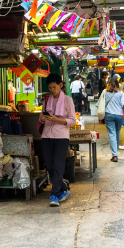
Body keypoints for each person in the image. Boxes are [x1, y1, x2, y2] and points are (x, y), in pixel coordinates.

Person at [39, 73, 78, 207]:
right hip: (46, 136)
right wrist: (42, 118)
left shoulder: (68, 100)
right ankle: (64, 188)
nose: (52, 90)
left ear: (60, 85)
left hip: (61, 136)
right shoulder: (46, 100)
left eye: (54, 87)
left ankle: (54, 195)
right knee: (49, 166)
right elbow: (42, 116)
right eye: (50, 88)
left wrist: (58, 120)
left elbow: (73, 120)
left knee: (58, 165)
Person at [102, 78, 124, 162]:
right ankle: (115, 153)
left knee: (112, 134)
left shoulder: (105, 92)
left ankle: (115, 155)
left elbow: (100, 105)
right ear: (117, 84)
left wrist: (100, 116)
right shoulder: (120, 93)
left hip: (109, 115)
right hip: (119, 115)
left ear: (108, 84)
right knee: (117, 133)